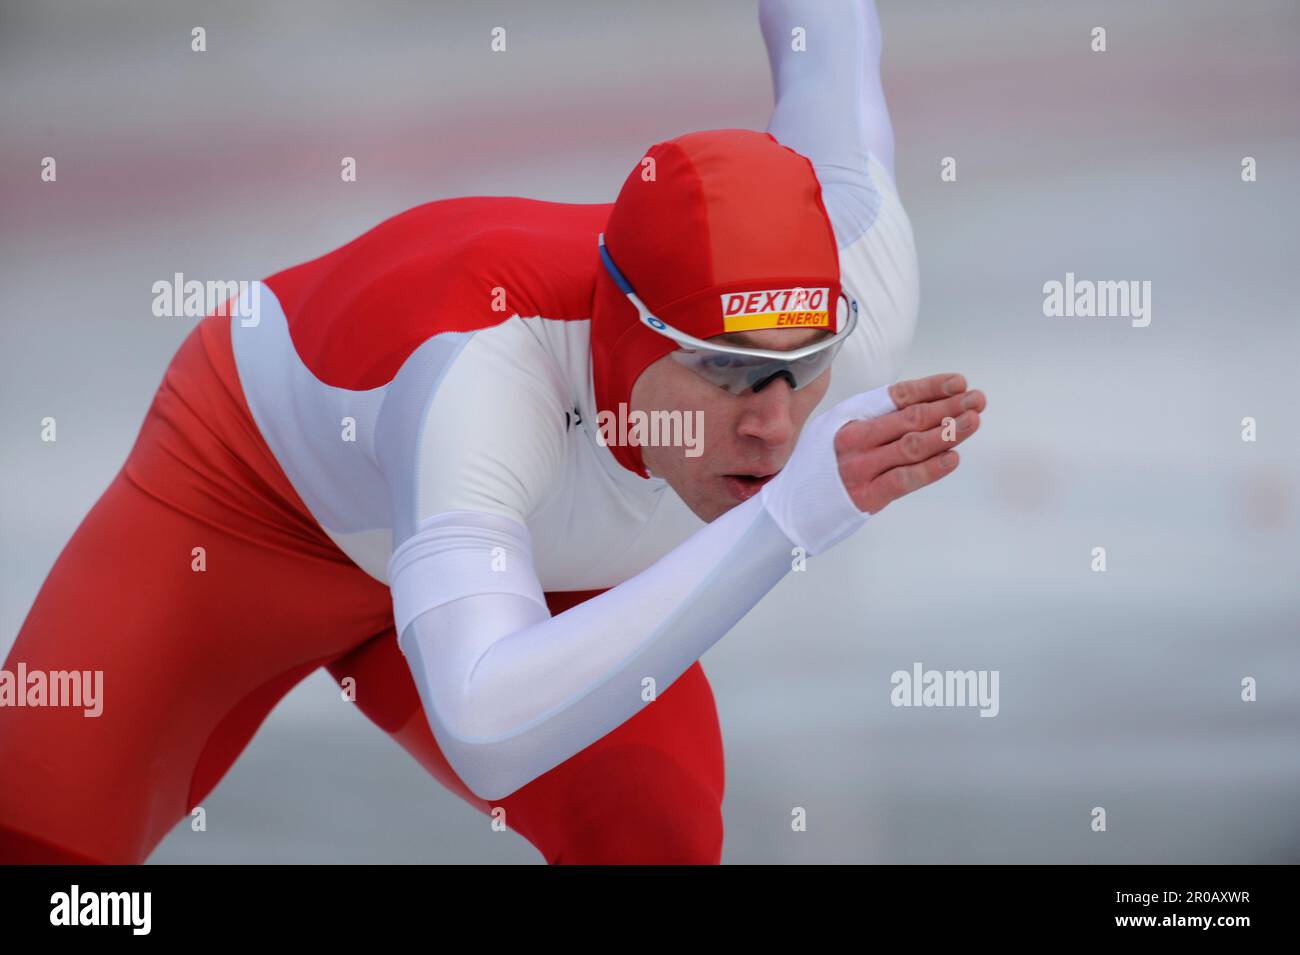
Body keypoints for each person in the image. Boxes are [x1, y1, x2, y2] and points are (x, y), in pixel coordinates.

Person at [0, 0, 985, 864]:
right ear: (625, 331)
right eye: (725, 369)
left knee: (653, 835)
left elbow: (828, 54)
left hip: (530, 547)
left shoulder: (855, 288)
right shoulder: (481, 373)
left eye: (802, 368)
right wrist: (785, 527)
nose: (775, 423)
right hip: (254, 510)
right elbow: (483, 721)